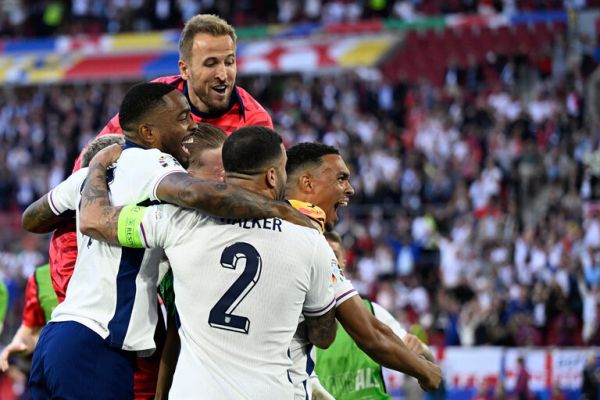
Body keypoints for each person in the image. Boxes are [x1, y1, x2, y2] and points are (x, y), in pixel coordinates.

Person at [25, 83, 311, 400]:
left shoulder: (92, 175)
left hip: (58, 337)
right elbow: (191, 193)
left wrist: (94, 175)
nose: (191, 125)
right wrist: (278, 209)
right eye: (182, 117)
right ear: (149, 133)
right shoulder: (152, 162)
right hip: (98, 344)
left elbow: (32, 218)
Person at [78, 126, 337, 399]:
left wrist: (97, 165)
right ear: (273, 176)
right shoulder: (309, 238)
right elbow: (323, 335)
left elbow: (93, 220)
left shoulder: (178, 220)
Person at [284, 142, 440, 396]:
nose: (351, 189)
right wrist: (425, 371)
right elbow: (368, 335)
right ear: (308, 183)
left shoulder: (250, 228)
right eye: (341, 178)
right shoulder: (310, 243)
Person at [310, 231, 433, 399]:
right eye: (323, 255)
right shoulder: (300, 320)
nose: (328, 260)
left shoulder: (372, 310)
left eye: (334, 255)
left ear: (342, 264)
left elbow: (424, 355)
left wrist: (422, 351)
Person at [0, 264, 57, 372]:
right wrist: (19, 342)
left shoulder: (97, 269)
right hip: (53, 368)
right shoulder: (40, 276)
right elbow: (31, 332)